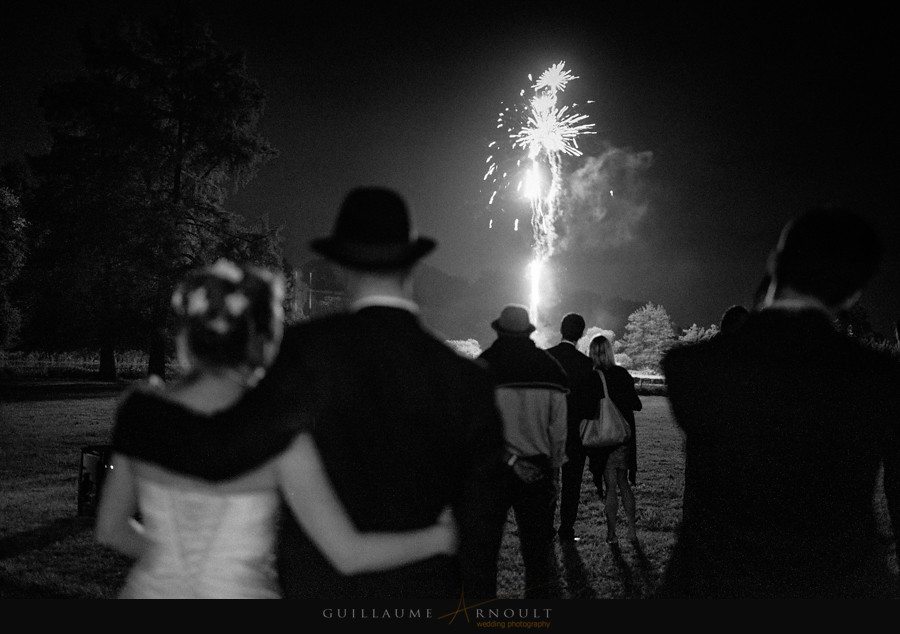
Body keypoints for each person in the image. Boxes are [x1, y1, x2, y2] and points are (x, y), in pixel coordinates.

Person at [94, 259, 459, 599]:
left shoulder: (140, 413)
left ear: (188, 337)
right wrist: (441, 537)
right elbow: (348, 553)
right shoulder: (281, 431)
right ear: (263, 341)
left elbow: (110, 529)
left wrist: (169, 557)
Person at [245, 187, 508, 601]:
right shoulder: (465, 379)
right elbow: (481, 519)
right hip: (422, 594)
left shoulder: (300, 351)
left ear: (339, 267)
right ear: (413, 266)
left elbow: (257, 464)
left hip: (319, 589)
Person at [657, 207, 900, 598]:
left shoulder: (691, 366)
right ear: (854, 292)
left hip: (714, 583)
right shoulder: (879, 378)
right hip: (837, 586)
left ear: (773, 262)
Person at [478, 303, 569, 598]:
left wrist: (509, 459)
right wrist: (554, 473)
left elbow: (474, 430)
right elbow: (558, 431)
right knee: (537, 554)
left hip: (491, 470)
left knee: (484, 552)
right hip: (538, 471)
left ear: (499, 329)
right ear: (528, 329)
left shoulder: (483, 367)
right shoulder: (551, 369)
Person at [546, 312, 606, 542]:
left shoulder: (546, 358)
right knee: (572, 483)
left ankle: (546, 525)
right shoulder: (586, 364)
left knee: (550, 482)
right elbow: (592, 407)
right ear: (581, 334)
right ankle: (566, 529)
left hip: (550, 432)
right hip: (575, 433)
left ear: (561, 330)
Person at [586, 335, 642, 545]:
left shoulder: (592, 377)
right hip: (624, 436)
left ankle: (611, 534)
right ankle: (632, 531)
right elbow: (636, 404)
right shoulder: (622, 374)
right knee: (624, 483)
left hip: (605, 440)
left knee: (610, 486)